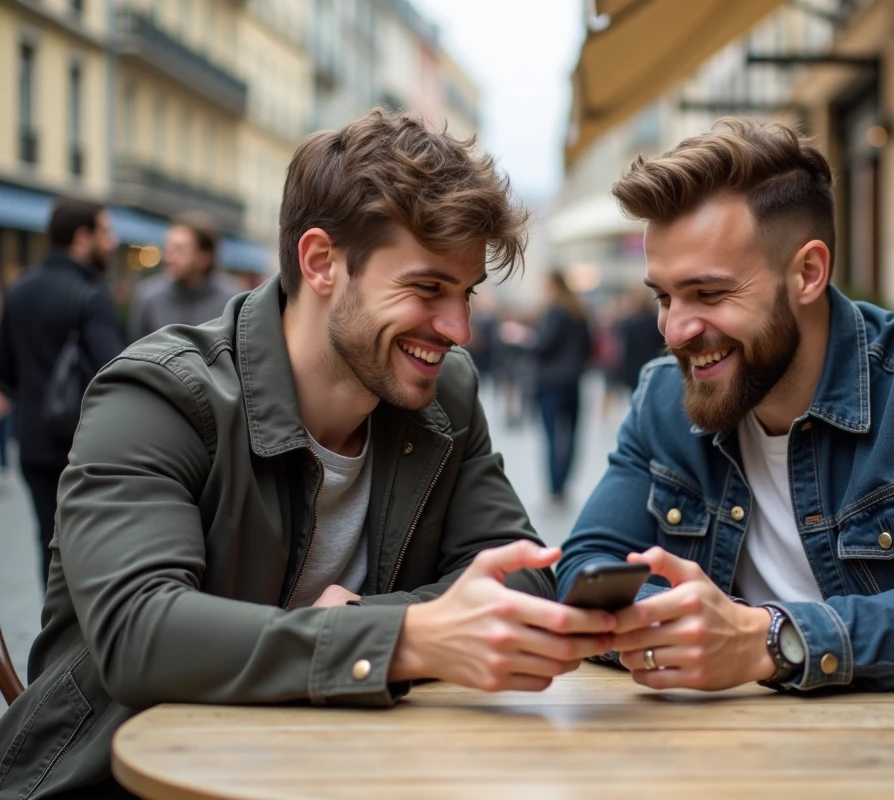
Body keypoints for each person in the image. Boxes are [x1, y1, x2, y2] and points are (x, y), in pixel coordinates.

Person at [0, 110, 614, 799]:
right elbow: (140, 633)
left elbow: (521, 575)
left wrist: (356, 628)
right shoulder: (160, 393)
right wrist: (404, 638)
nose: (459, 329)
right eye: (426, 288)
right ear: (321, 262)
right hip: (119, 780)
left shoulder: (448, 395)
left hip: (337, 772)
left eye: (465, 293)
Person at [557, 118, 894, 698]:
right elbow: (584, 567)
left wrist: (767, 639)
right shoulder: (662, 397)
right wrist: (690, 627)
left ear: (808, 273)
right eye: (663, 296)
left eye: (709, 294)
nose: (675, 330)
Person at [0, 197, 125, 583]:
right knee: (93, 547)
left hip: (34, 444)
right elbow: (116, 372)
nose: (114, 242)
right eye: (105, 232)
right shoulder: (90, 295)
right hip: (85, 445)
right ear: (82, 238)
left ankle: (51, 631)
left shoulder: (19, 291)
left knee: (47, 544)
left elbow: (7, 373)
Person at [126, 211, 241, 341]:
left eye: (179, 250)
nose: (168, 257)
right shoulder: (149, 297)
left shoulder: (231, 303)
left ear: (204, 257)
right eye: (168, 248)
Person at [532, 271, 592, 502]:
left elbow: (544, 345)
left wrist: (527, 340)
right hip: (573, 382)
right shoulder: (579, 313)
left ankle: (555, 489)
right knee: (572, 435)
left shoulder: (553, 311)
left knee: (551, 437)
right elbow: (588, 348)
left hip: (550, 383)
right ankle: (564, 483)